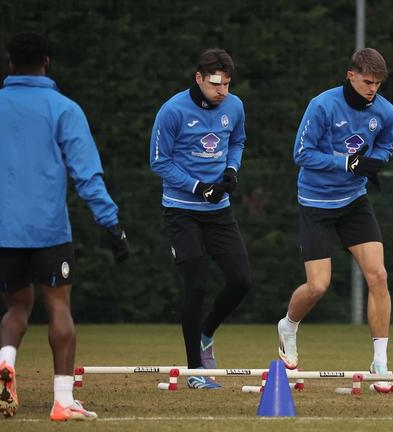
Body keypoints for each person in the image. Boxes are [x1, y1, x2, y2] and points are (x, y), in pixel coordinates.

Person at [0, 32, 130, 421]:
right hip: (50, 232)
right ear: (47, 62)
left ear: (9, 64)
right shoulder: (63, 108)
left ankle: (6, 360)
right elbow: (86, 175)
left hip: (3, 233)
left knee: (17, 308)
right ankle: (63, 400)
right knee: (58, 307)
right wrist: (112, 225)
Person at [276, 48, 393, 392]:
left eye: (378, 84)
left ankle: (380, 364)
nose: (373, 89)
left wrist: (373, 161)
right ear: (351, 75)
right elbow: (301, 153)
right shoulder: (323, 106)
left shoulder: (386, 111)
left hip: (354, 203)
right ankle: (288, 326)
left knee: (379, 275)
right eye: (367, 82)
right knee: (318, 286)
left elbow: (386, 146)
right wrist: (347, 163)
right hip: (315, 203)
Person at [149, 48, 250, 389]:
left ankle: (206, 333)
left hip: (218, 210)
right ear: (199, 78)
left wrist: (232, 170)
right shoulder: (172, 111)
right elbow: (159, 162)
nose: (222, 91)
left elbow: (237, 141)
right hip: (182, 211)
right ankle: (196, 370)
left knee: (241, 280)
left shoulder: (234, 106)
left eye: (227, 84)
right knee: (197, 286)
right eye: (216, 84)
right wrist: (196, 187)